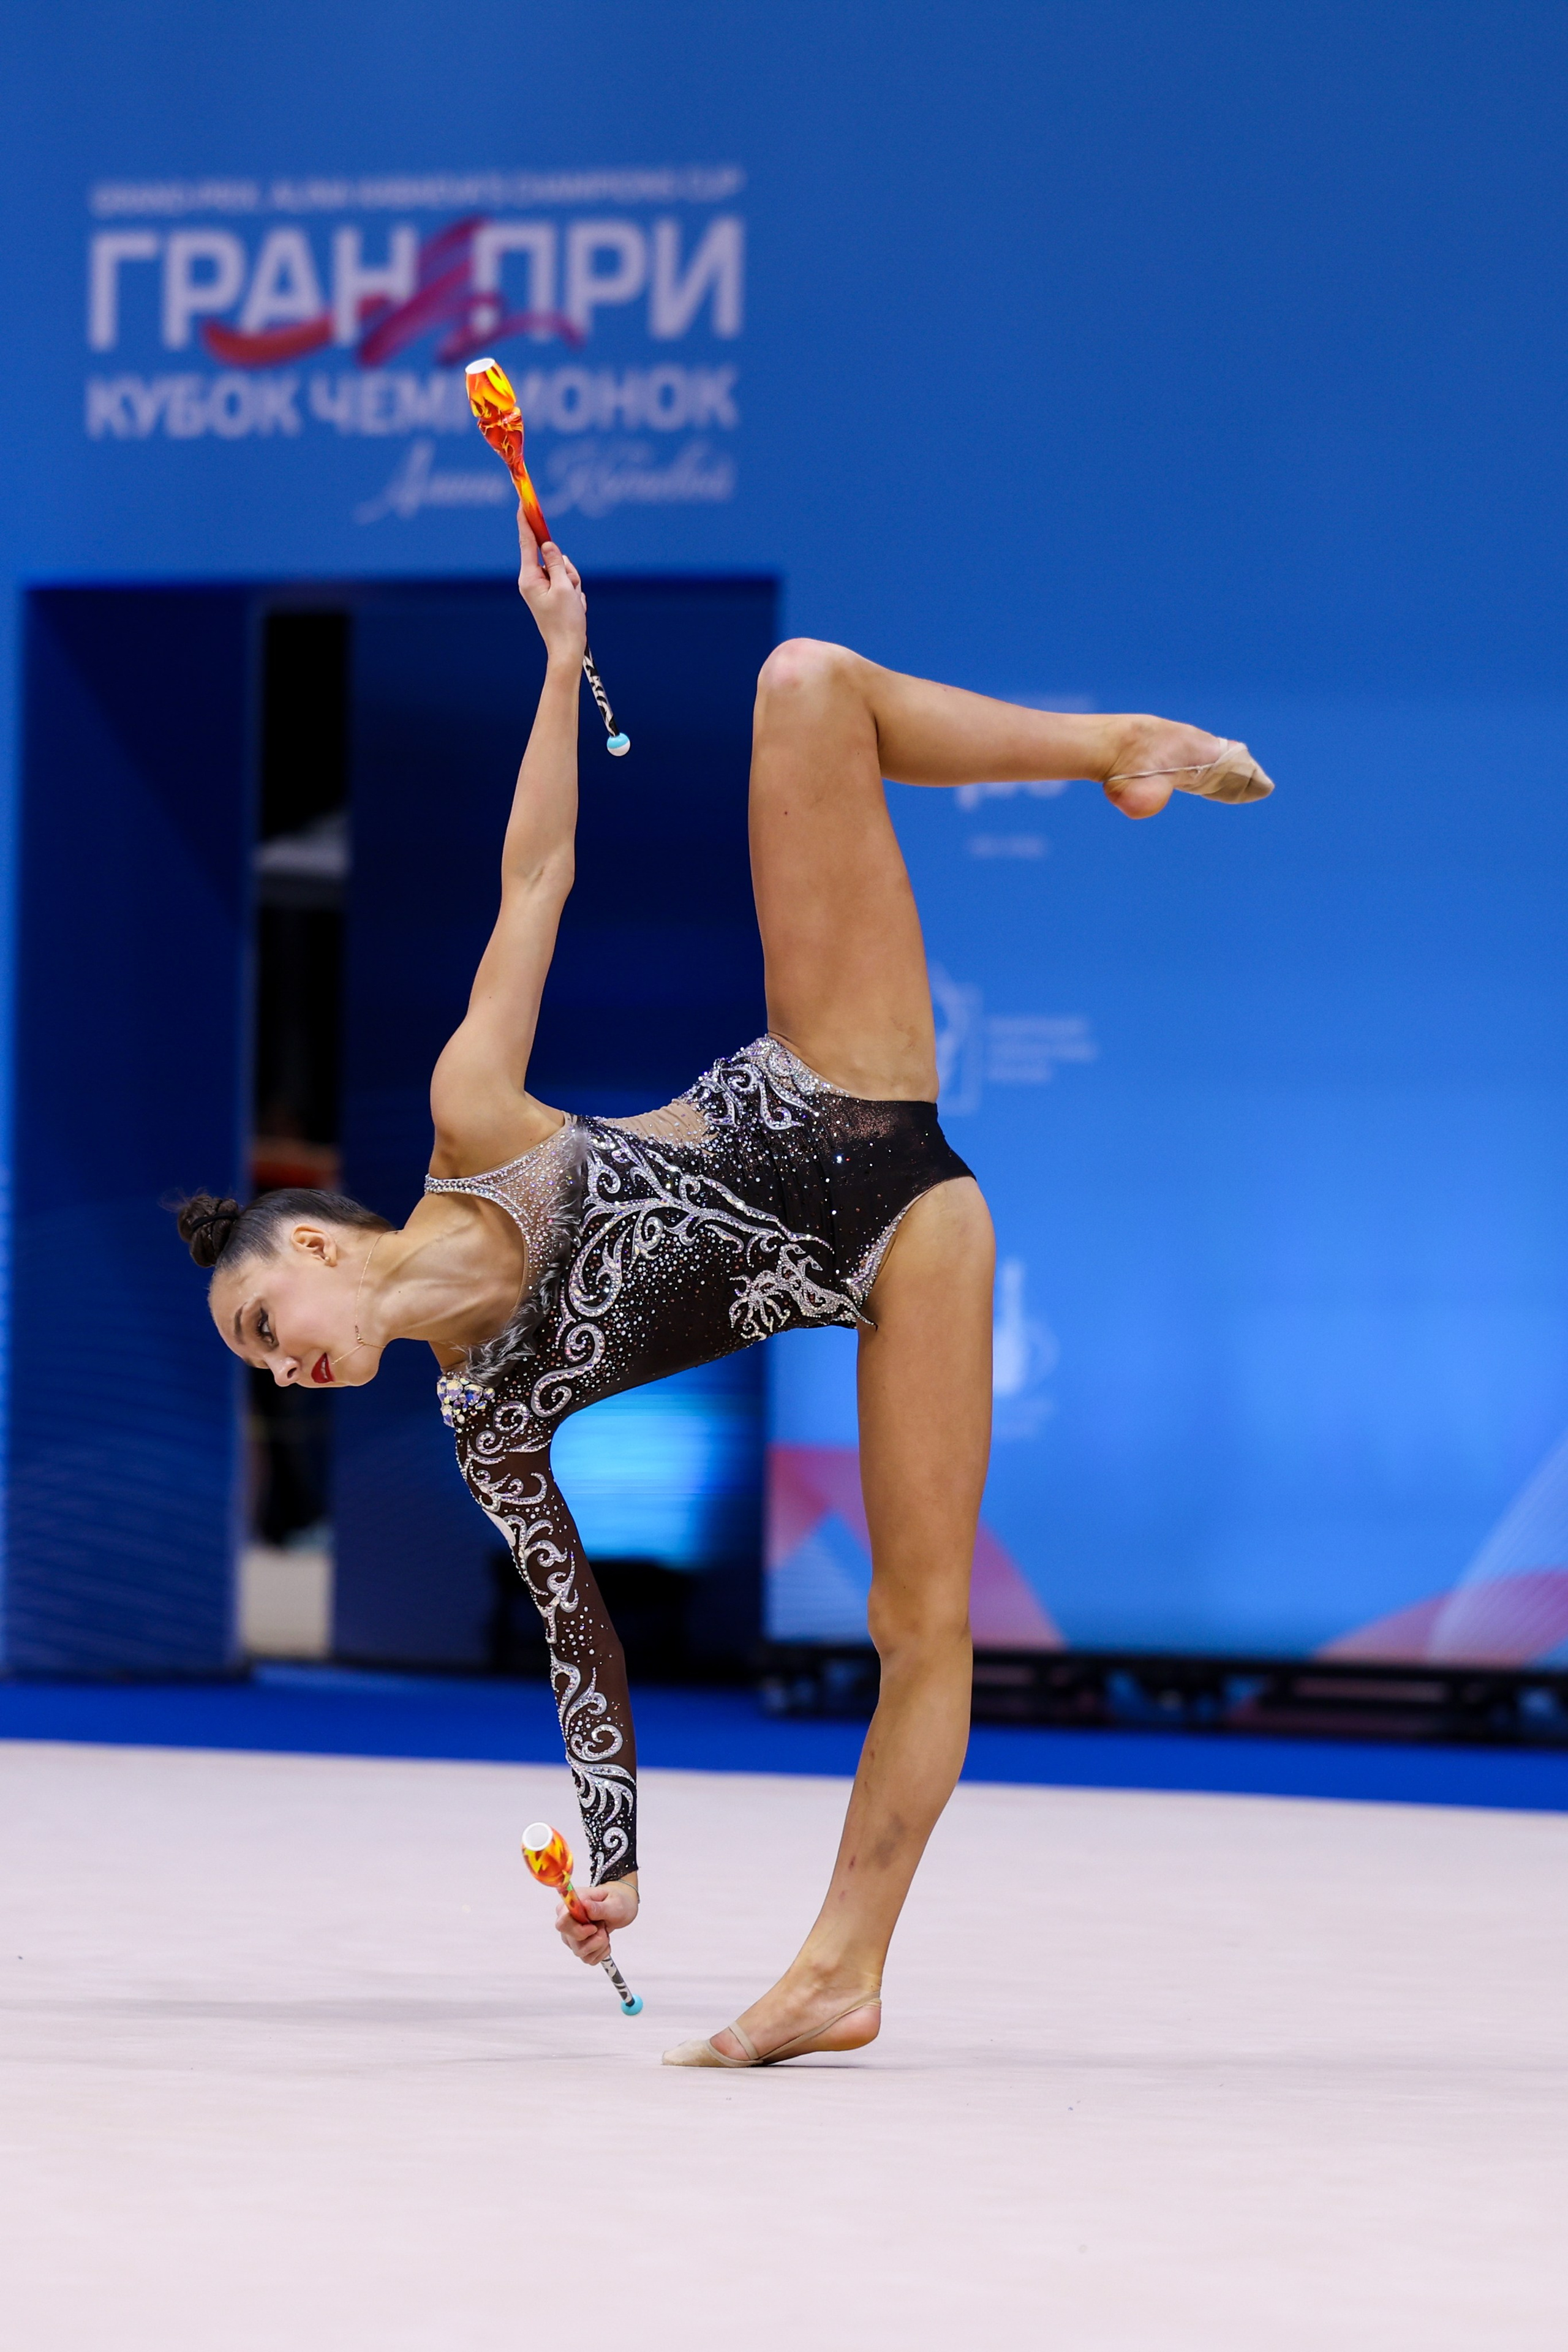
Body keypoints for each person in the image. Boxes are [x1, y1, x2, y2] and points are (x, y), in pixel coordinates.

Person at [179, 514, 1272, 2068]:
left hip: (830, 1083)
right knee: (920, 1627)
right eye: (260, 1367)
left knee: (804, 683)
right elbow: (582, 1642)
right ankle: (843, 1972)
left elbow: (537, 874)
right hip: (907, 1246)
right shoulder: (485, 1418)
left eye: (262, 1333)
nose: (278, 1371)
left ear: (314, 1250)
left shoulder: (471, 1123)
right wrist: (610, 1857)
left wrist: (560, 663)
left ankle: (1121, 744)